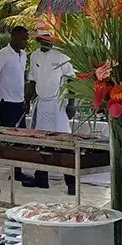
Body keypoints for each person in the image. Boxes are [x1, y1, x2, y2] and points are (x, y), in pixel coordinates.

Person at [23, 25, 77, 194]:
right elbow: (32, 79)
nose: (46, 43)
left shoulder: (62, 56)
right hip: (43, 103)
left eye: (48, 40)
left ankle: (71, 183)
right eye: (43, 40)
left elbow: (71, 81)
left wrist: (71, 104)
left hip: (59, 104)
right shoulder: (34, 56)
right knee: (41, 142)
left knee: (64, 143)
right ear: (38, 41)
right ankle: (41, 178)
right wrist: (26, 100)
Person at [0, 25, 29, 181]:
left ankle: (17, 169)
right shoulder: (2, 55)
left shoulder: (24, 54)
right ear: (13, 37)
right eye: (23, 38)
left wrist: (26, 99)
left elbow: (21, 78)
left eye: (27, 39)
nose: (26, 42)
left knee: (22, 138)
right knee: (10, 138)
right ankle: (15, 170)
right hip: (5, 101)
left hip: (19, 100)